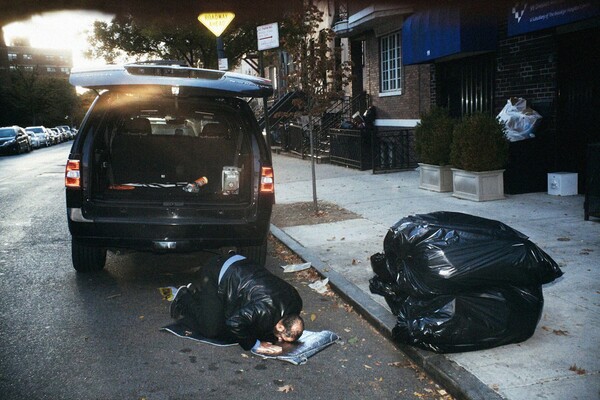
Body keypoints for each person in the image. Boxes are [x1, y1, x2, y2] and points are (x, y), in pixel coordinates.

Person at [170, 253, 304, 355]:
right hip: (216, 273)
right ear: (280, 325)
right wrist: (256, 345)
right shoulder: (264, 310)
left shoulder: (296, 302)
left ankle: (204, 300)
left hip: (242, 264)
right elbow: (234, 323)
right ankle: (184, 297)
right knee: (211, 329)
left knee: (260, 329)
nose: (279, 340)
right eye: (281, 337)